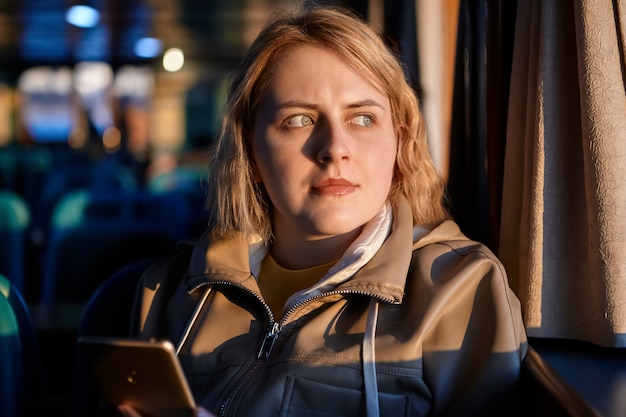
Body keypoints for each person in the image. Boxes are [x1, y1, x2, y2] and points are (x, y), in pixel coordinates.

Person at [117, 5, 527, 417]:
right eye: (299, 119)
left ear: (399, 145)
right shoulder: (167, 290)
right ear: (252, 153)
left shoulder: (459, 289)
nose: (334, 149)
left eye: (363, 118)